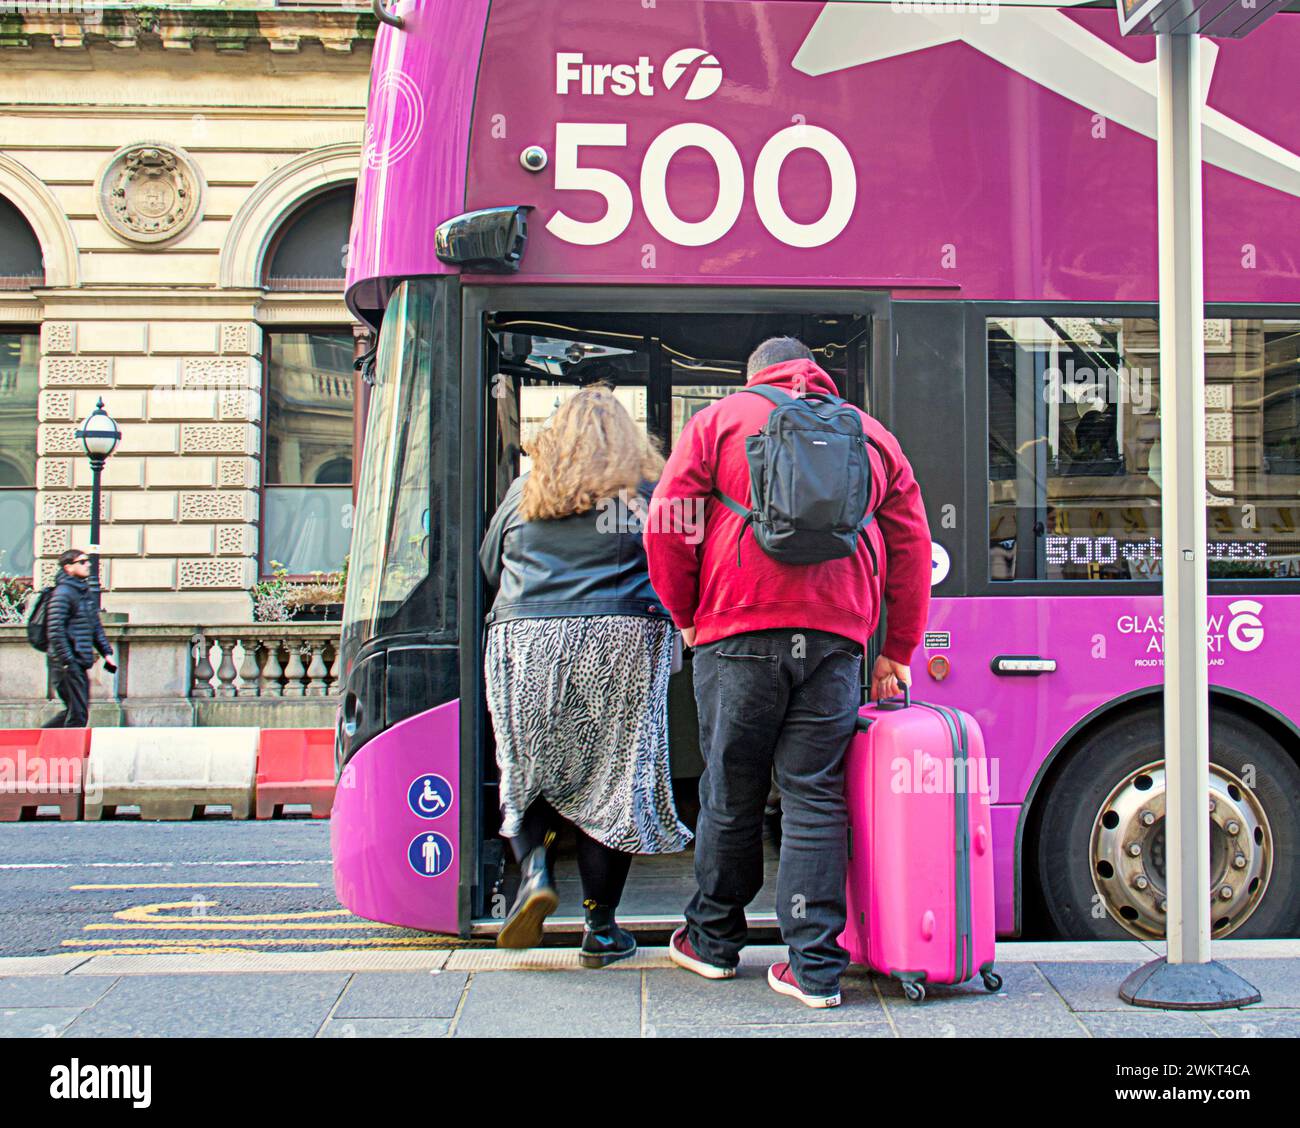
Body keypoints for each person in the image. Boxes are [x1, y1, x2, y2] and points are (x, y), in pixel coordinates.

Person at [644, 337, 932, 1008]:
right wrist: (899, 648)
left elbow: (668, 524)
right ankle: (814, 969)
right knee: (813, 796)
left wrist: (687, 613)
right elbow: (911, 541)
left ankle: (713, 943)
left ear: (756, 374)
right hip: (835, 639)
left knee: (731, 789)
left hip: (737, 630)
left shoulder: (719, 421)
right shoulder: (872, 435)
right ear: (819, 374)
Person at [479, 386, 692, 967]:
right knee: (614, 782)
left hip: (528, 641)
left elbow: (486, 564)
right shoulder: (649, 496)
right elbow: (681, 562)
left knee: (528, 771)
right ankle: (600, 929)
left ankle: (537, 870)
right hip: (621, 641)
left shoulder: (525, 492)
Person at [42, 549, 115, 729]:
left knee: (76, 711)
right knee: (78, 713)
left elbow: (95, 626)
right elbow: (55, 630)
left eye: (87, 561)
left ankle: (39, 743)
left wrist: (106, 652)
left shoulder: (83, 592)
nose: (87, 564)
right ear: (68, 567)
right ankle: (61, 751)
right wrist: (67, 661)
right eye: (81, 562)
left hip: (77, 661)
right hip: (65, 662)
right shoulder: (62, 594)